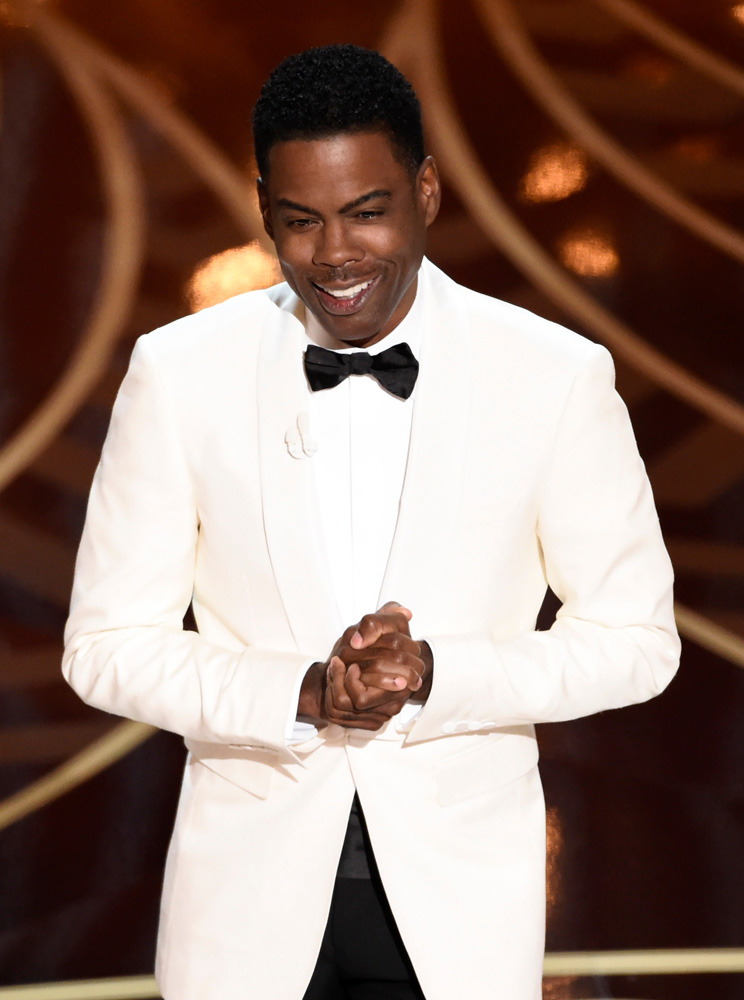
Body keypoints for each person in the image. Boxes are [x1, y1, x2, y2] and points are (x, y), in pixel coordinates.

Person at [63, 44, 680, 1000]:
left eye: (367, 212)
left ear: (426, 191)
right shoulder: (179, 372)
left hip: (458, 908)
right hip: (246, 907)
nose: (336, 255)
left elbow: (639, 641)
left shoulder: (554, 375)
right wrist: (300, 694)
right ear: (264, 207)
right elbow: (104, 647)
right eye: (300, 222)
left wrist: (438, 673)